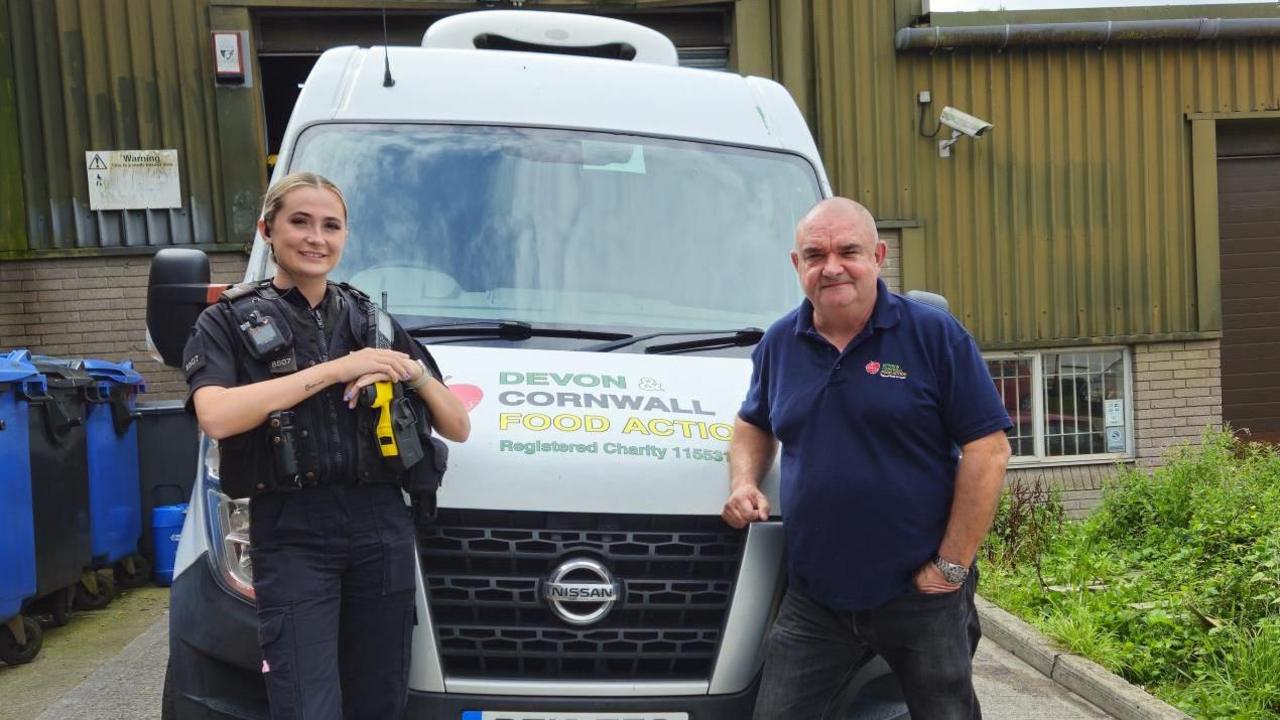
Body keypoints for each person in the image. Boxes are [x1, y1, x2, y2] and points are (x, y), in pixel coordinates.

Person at [182, 171, 471, 720]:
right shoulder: (226, 321)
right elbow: (216, 416)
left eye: (331, 226)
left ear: (344, 237)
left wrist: (409, 373)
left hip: (380, 528)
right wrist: (340, 368)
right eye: (300, 222)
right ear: (268, 230)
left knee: (379, 699)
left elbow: (457, 425)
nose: (316, 238)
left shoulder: (374, 322)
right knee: (304, 702)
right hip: (293, 531)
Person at [722, 197, 1012, 719]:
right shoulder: (779, 344)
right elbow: (752, 422)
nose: (831, 267)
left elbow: (988, 451)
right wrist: (744, 481)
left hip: (920, 593)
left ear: (878, 255)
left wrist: (951, 565)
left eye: (847, 251)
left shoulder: (933, 336)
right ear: (797, 266)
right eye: (815, 254)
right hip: (816, 599)